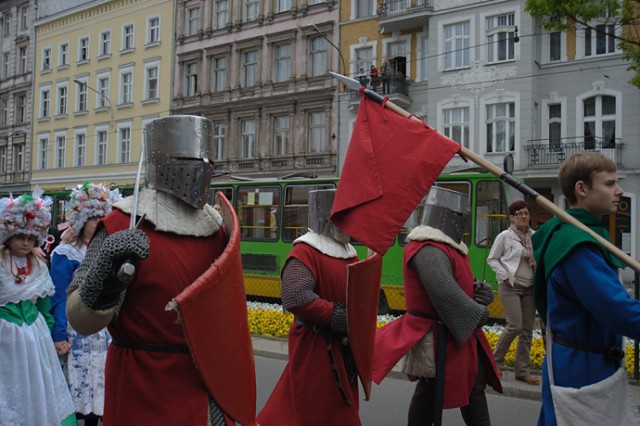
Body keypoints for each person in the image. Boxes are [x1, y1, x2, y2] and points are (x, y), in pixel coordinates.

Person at [66, 115, 255, 425]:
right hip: (141, 383)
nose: (199, 170)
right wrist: (107, 272)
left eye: (204, 162)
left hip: (202, 384)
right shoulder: (121, 224)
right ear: (164, 162)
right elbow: (80, 318)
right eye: (188, 161)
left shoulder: (218, 229)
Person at [373, 187, 502, 426]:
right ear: (446, 216)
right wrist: (475, 313)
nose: (463, 222)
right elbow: (442, 291)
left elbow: (452, 284)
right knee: (430, 390)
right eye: (460, 216)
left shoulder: (448, 248)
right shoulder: (427, 248)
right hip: (435, 334)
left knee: (473, 385)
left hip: (453, 331)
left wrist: (475, 291)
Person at [533, 152, 640, 425]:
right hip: (581, 367)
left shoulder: (583, 234)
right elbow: (617, 310)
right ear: (582, 189)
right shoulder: (576, 245)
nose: (618, 191)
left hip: (589, 362)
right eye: (609, 183)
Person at [258, 189, 362, 425]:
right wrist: (338, 316)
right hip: (316, 344)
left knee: (338, 407)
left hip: (342, 346)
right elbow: (295, 296)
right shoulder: (305, 250)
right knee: (313, 408)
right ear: (328, 216)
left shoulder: (349, 253)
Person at [0, 188, 77, 425]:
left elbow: (45, 306)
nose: (25, 243)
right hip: (5, 336)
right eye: (20, 237)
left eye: (30, 239)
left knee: (36, 384)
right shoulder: (2, 263)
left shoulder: (39, 266)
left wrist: (54, 335)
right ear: (8, 236)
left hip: (34, 336)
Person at [50, 182, 121, 426]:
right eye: (94, 219)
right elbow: (58, 297)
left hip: (103, 332)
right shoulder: (66, 252)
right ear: (81, 221)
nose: (100, 224)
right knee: (79, 383)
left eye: (104, 218)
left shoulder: (108, 251)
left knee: (101, 380)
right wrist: (59, 335)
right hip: (76, 330)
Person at [487, 200, 540, 385]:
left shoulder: (535, 236)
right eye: (519, 214)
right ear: (512, 217)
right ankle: (494, 363)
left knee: (527, 330)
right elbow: (492, 259)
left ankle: (522, 371)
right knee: (515, 326)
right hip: (510, 286)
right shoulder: (505, 236)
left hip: (529, 287)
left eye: (526, 213)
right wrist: (504, 275)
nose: (523, 216)